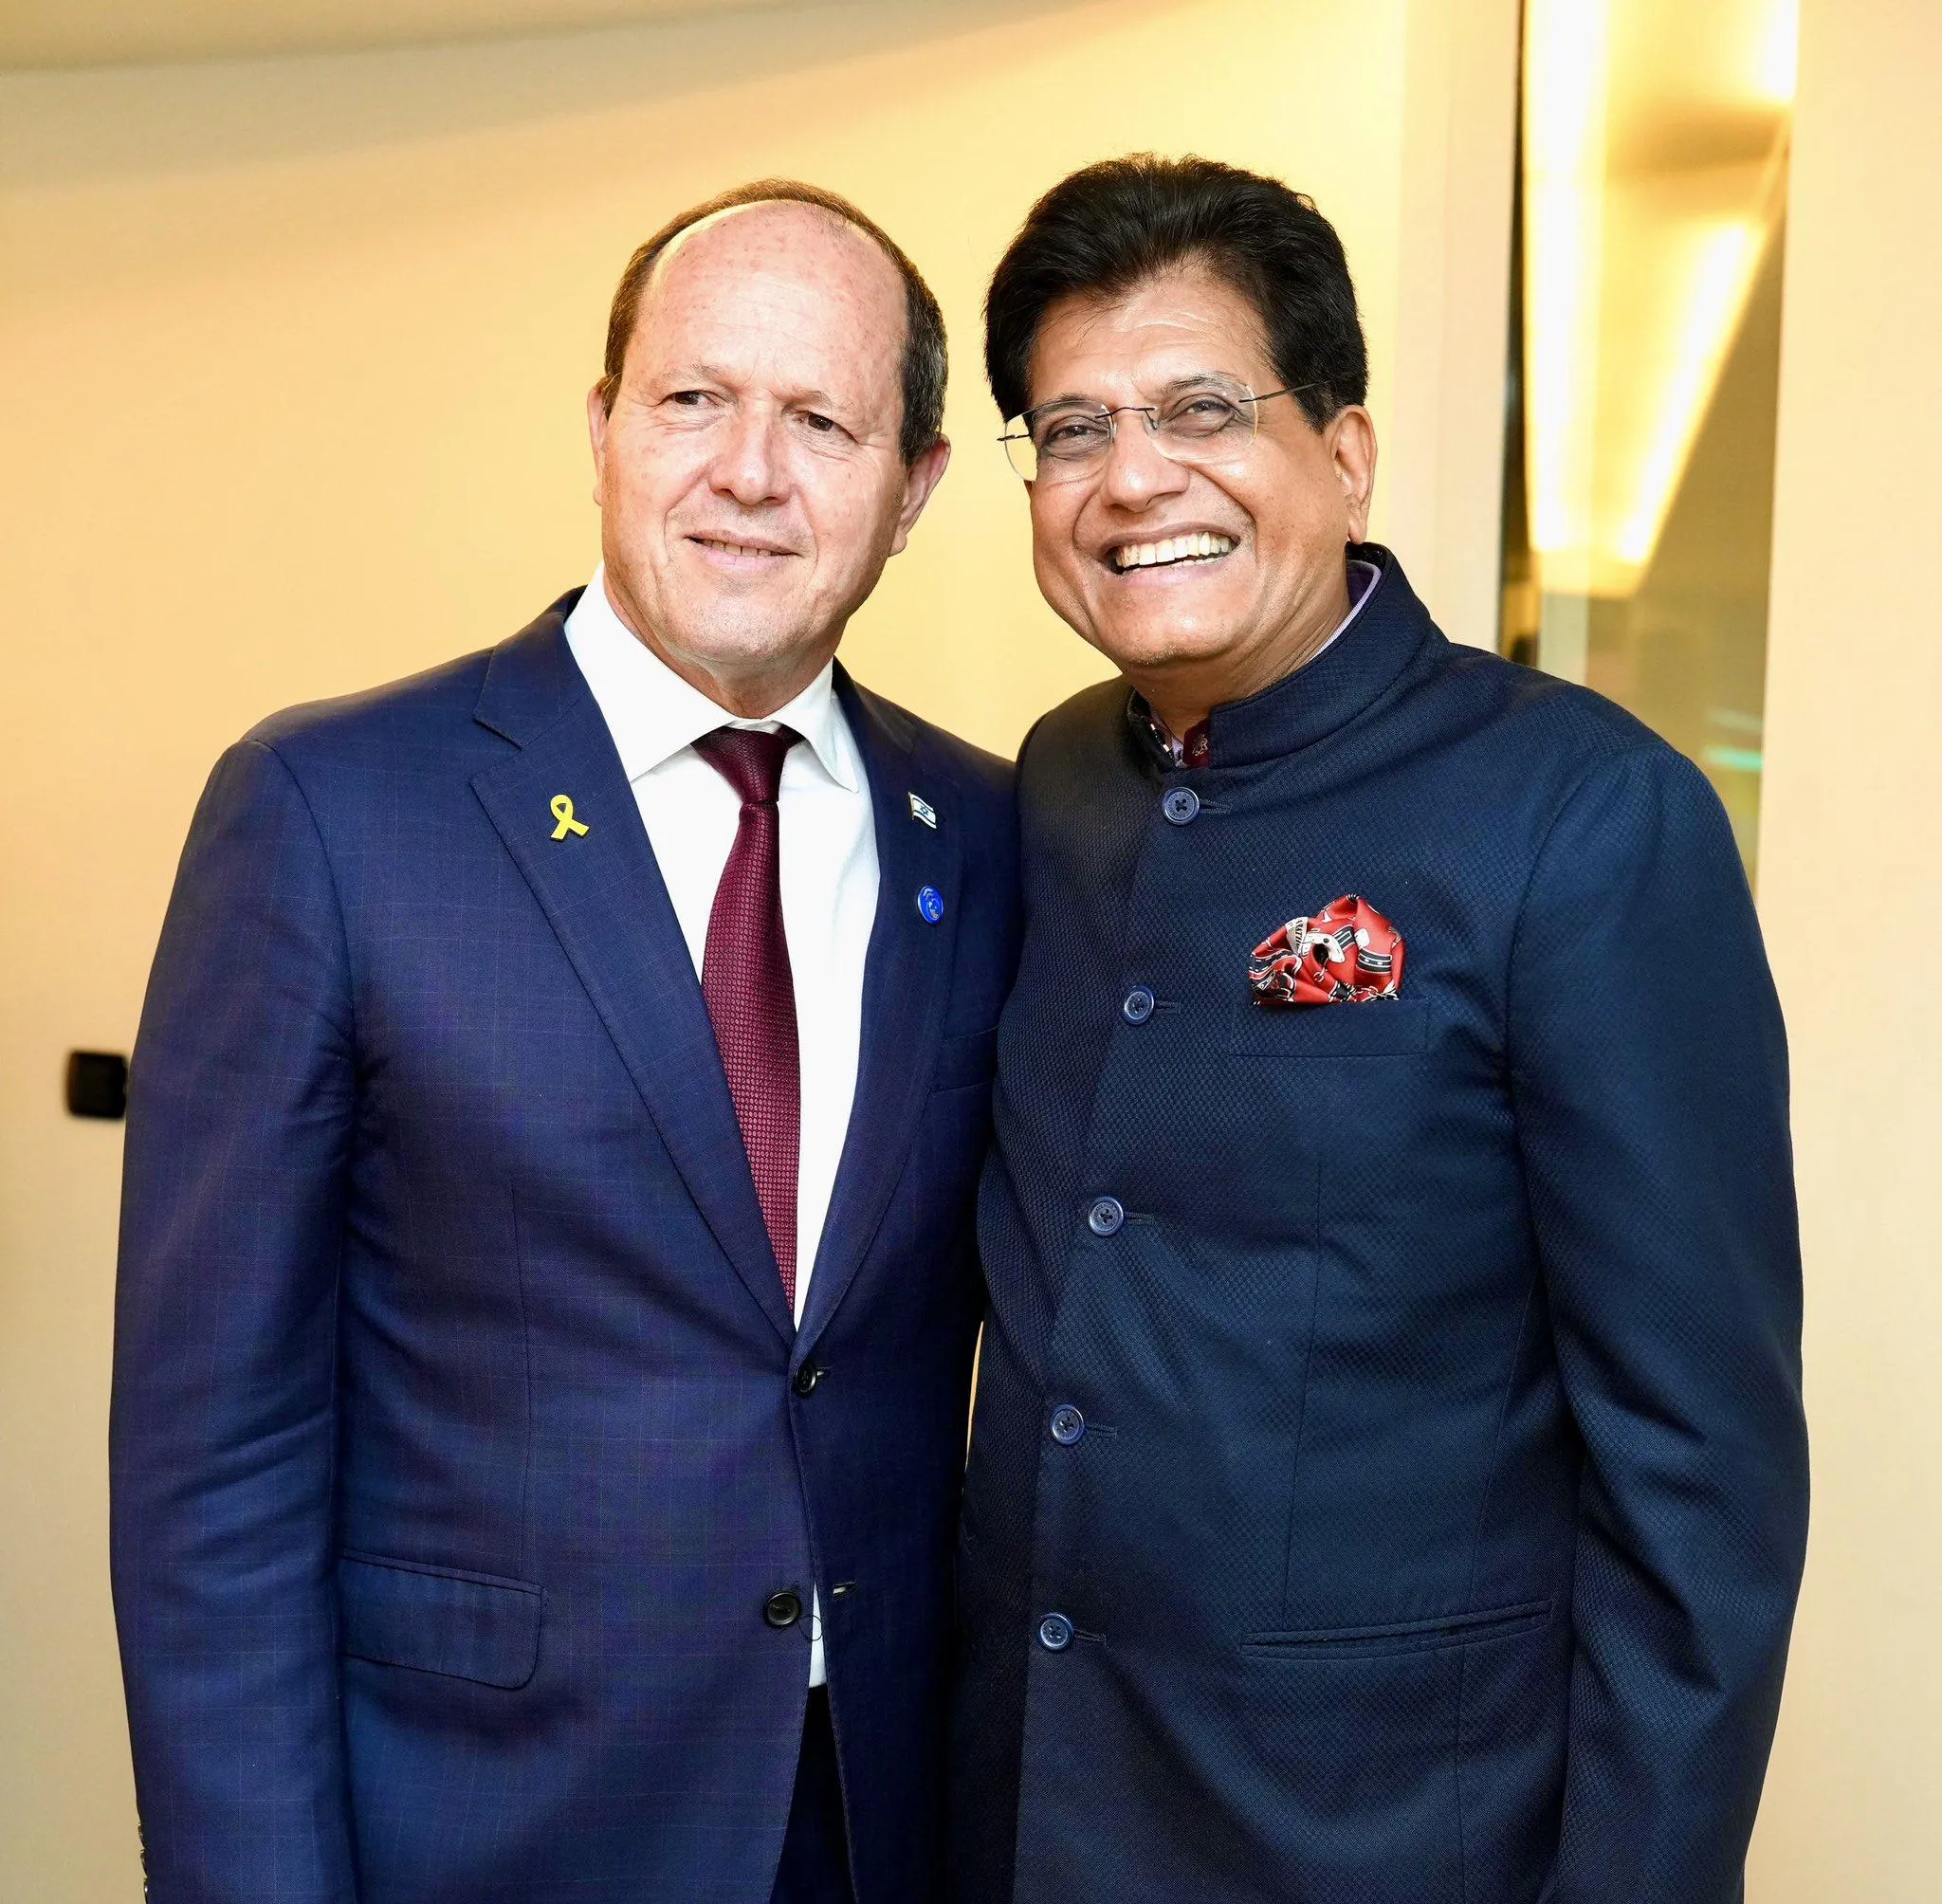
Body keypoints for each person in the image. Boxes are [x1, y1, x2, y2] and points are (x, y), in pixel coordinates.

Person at [111, 179, 1017, 1904]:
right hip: (478, 1821)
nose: (749, 470)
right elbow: (210, 1467)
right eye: (694, 400)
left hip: (873, 1821)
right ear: (603, 430)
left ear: (912, 490)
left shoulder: (984, 836)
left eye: (822, 420)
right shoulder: (330, 811)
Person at [951, 156, 1807, 1904]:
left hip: (1383, 1840)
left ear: (1342, 454)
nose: (1133, 482)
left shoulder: (1579, 816)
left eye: (1202, 410)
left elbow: (1697, 1475)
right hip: (1025, 1811)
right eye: (1074, 428)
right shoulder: (1054, 786)